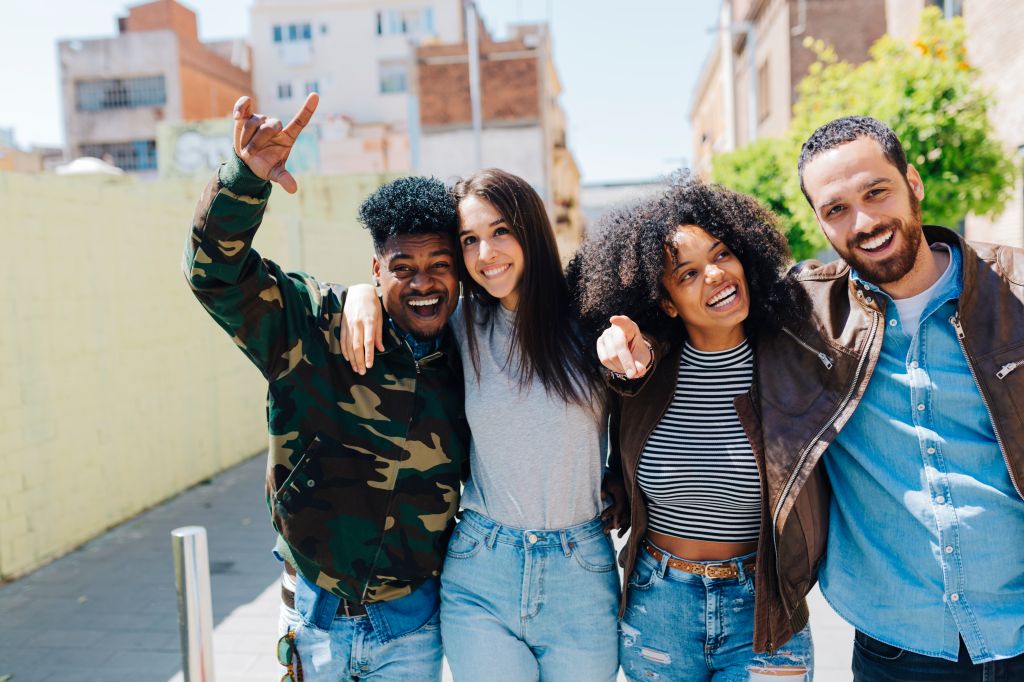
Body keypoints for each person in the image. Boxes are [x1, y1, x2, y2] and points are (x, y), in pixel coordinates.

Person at [183, 93, 470, 681]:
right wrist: (246, 179)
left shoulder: (472, 356)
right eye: (403, 267)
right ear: (375, 270)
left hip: (412, 625)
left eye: (439, 265)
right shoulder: (313, 324)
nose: (423, 283)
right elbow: (216, 274)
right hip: (311, 615)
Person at [752, 115, 1024, 681]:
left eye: (876, 192)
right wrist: (636, 344)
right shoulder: (803, 318)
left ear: (913, 182)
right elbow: (702, 305)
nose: (865, 221)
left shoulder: (1015, 293)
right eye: (836, 209)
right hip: (898, 650)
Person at [342, 168, 620, 681]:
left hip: (580, 570)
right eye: (469, 239)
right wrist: (360, 292)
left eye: (500, 231)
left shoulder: (592, 321)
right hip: (481, 567)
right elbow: (402, 292)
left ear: (530, 229)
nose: (485, 253)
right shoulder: (460, 321)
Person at [570, 175, 814, 681]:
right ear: (665, 301)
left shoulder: (792, 359)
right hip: (658, 607)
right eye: (687, 274)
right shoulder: (644, 370)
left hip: (764, 611)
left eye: (723, 254)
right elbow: (622, 368)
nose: (716, 275)